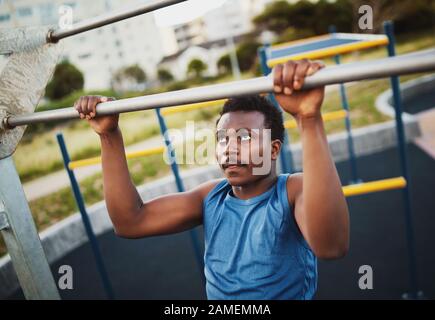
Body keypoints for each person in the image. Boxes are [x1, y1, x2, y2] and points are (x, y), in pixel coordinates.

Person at [74, 59, 350, 300]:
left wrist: (309, 118)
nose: (229, 148)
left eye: (243, 137)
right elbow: (129, 221)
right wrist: (109, 136)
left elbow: (332, 246)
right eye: (222, 139)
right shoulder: (211, 197)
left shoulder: (292, 190)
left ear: (274, 149)